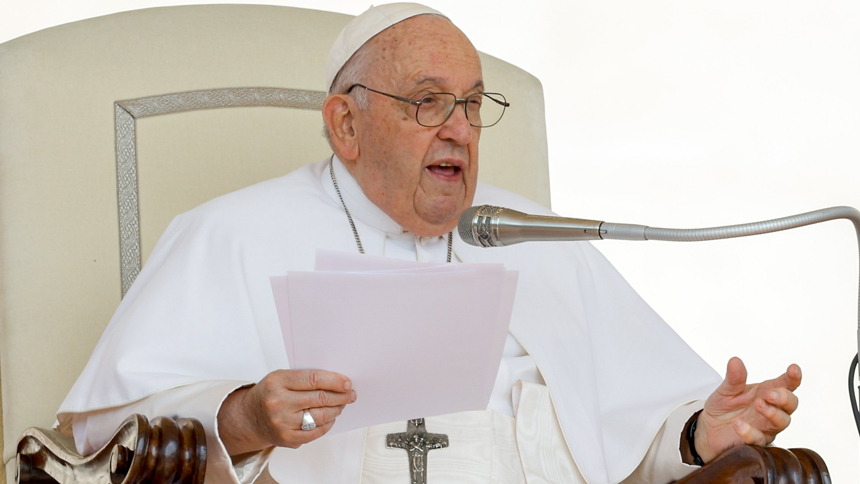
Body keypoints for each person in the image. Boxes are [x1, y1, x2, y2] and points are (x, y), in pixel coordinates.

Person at [57, 3, 801, 484]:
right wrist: (245, 417)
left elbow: (628, 432)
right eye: (427, 102)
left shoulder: (531, 235)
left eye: (473, 105)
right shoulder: (230, 234)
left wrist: (702, 434)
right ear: (345, 125)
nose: (459, 129)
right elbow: (105, 440)